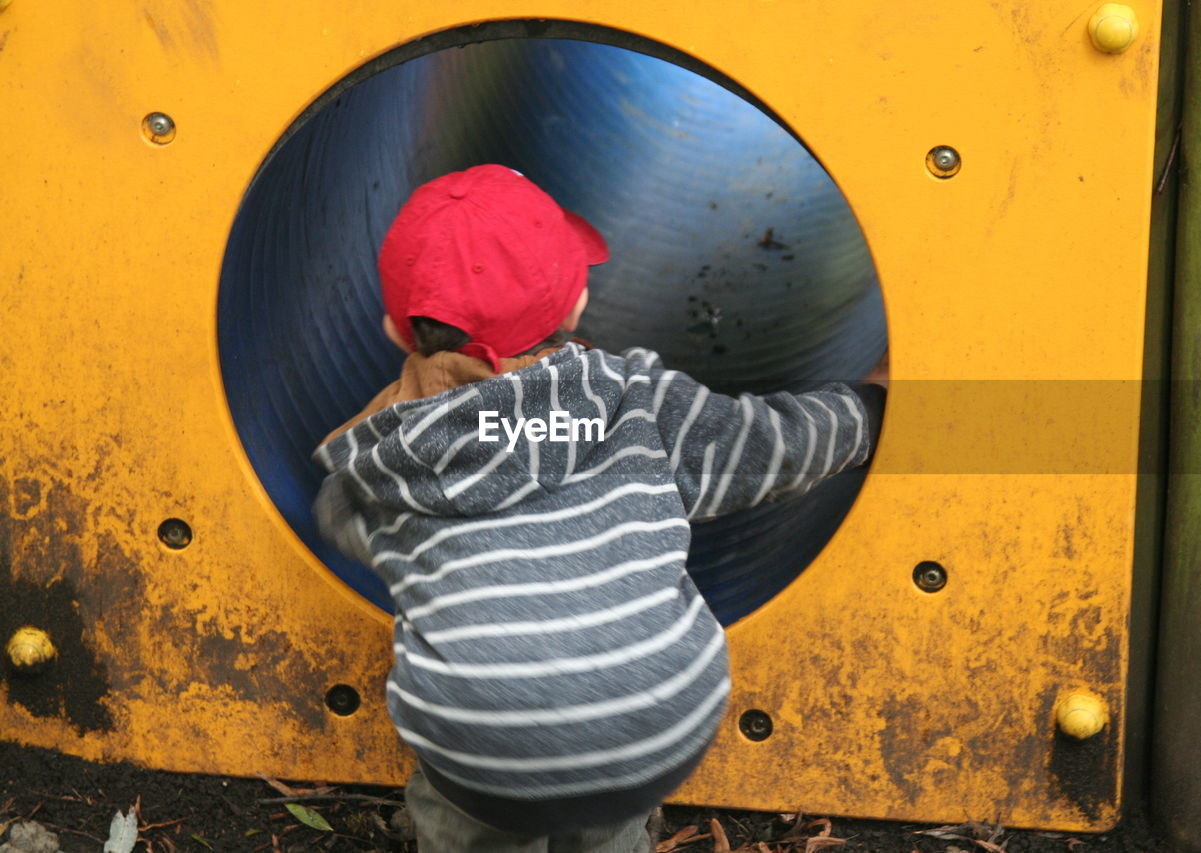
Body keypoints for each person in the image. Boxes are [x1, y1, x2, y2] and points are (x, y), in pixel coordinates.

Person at [312, 164, 886, 853]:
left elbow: (340, 517)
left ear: (397, 331)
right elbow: (771, 444)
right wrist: (870, 409)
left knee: (471, 798)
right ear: (578, 304)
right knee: (606, 790)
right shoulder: (634, 400)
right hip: (653, 723)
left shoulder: (379, 459)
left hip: (485, 750)